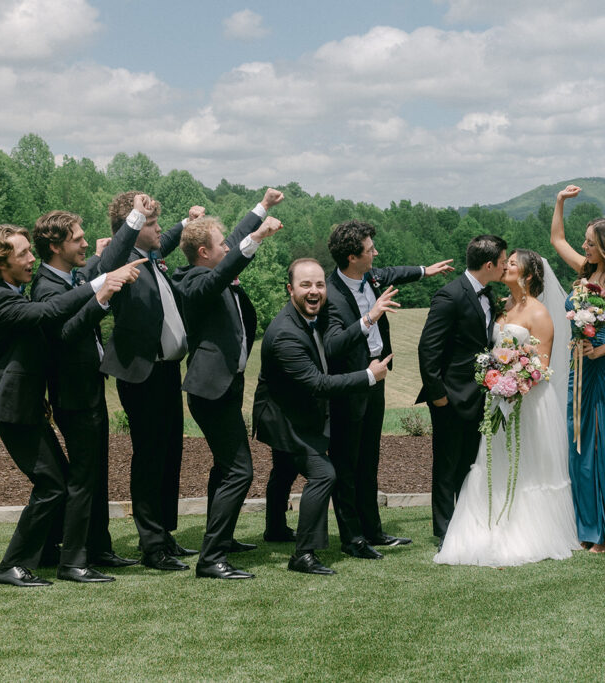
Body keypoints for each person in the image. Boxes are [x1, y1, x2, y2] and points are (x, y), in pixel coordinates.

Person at [0, 224, 141, 586]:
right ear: (0, 261)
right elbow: (49, 313)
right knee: (52, 485)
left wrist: (99, 265)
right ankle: (11, 565)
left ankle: (48, 552)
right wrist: (101, 285)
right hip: (12, 409)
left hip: (26, 406)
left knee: (60, 481)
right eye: (22, 254)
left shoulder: (9, 290)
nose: (31, 259)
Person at [434, 249, 579, 567]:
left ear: (527, 275)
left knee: (526, 466)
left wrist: (517, 378)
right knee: (494, 464)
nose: (505, 266)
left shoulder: (539, 313)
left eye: (512, 264)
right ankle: (490, 523)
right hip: (499, 400)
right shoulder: (503, 305)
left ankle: (528, 531)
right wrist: (495, 378)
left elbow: (541, 365)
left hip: (529, 402)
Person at [322, 220, 453, 559]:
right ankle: (352, 539)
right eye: (370, 250)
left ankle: (373, 531)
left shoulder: (371, 276)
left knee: (369, 459)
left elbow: (395, 271)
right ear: (353, 257)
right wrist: (370, 317)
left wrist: (426, 270)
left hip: (377, 377)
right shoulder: (331, 294)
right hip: (350, 384)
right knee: (347, 463)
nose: (376, 254)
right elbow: (332, 345)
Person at [172, 189, 285, 579]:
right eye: (222, 245)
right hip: (210, 390)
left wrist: (262, 208)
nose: (230, 246)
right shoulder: (191, 281)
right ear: (204, 252)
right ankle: (211, 559)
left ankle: (221, 539)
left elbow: (233, 244)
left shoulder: (214, 267)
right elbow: (228, 263)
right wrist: (256, 239)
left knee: (224, 469)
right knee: (240, 471)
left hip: (226, 387)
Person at [253, 259, 391, 575]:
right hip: (284, 418)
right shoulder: (287, 333)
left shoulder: (306, 318)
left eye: (319, 284)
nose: (314, 291)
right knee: (324, 474)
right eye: (305, 285)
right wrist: (368, 376)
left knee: (285, 469)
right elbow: (317, 384)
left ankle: (275, 528)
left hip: (287, 410)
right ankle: (303, 554)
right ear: (290, 289)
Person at [30, 208, 144, 578]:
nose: (84, 242)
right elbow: (62, 338)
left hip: (86, 391)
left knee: (93, 475)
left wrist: (134, 220)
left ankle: (98, 548)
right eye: (77, 238)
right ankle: (73, 561)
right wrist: (102, 299)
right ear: (54, 245)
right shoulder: (46, 286)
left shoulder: (67, 276)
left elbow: (101, 268)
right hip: (73, 396)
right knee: (81, 479)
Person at [99, 192, 203, 570]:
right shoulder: (117, 262)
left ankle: (165, 533)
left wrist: (186, 223)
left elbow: (167, 239)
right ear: (135, 227)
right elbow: (105, 263)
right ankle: (152, 545)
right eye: (152, 223)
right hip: (141, 374)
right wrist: (135, 220)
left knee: (169, 452)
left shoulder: (152, 257)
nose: (160, 229)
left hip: (166, 373)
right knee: (149, 457)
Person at [550, 185, 605, 553]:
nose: (584, 248)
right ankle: (585, 526)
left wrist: (600, 350)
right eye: (584, 242)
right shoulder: (583, 272)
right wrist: (559, 203)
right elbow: (556, 239)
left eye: (590, 244)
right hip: (578, 371)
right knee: (579, 447)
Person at [417, 235, 508, 548]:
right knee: (447, 465)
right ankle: (444, 532)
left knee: (470, 462)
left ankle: (465, 523)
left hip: (479, 394)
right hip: (450, 396)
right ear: (489, 264)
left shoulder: (489, 294)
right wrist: (438, 396)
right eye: (503, 262)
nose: (506, 266)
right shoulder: (450, 295)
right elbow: (427, 350)